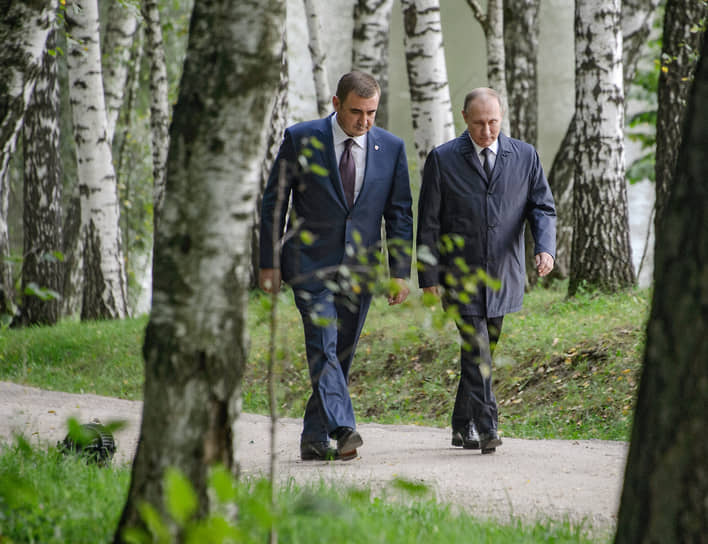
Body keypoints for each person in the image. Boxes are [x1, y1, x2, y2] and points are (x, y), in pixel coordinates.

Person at [259, 71, 413, 461]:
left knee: (341, 353)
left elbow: (399, 213)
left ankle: (313, 439)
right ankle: (343, 427)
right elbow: (273, 203)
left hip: (361, 269)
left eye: (372, 113)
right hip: (309, 265)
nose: (364, 121)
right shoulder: (301, 138)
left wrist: (399, 272)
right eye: (356, 112)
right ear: (336, 104)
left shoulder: (391, 148)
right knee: (323, 345)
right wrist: (268, 262)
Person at [416, 87, 556, 454]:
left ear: (502, 115)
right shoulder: (443, 160)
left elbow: (542, 208)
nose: (487, 130)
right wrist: (428, 278)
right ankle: (486, 423)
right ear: (464, 118)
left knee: (483, 350)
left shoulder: (525, 156)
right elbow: (428, 223)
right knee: (477, 350)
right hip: (459, 277)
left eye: (493, 121)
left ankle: (461, 425)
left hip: (503, 274)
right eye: (479, 123)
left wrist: (545, 248)